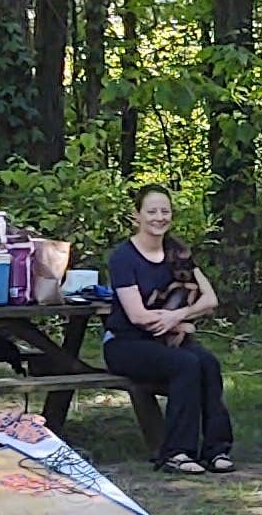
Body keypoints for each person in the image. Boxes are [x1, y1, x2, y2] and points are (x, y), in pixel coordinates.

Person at [101, 184, 235, 474]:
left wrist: (178, 317)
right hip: (127, 343)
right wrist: (178, 321)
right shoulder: (123, 257)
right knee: (185, 365)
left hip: (168, 336)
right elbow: (137, 316)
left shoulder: (179, 253)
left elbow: (210, 299)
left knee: (208, 363)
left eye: (165, 211)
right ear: (137, 216)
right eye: (152, 211)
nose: (159, 217)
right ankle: (176, 452)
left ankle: (216, 450)